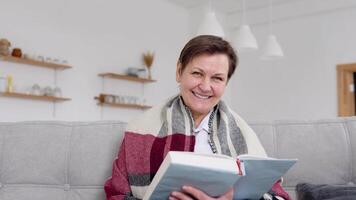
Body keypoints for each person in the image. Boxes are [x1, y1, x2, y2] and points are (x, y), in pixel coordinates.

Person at [104, 35, 291, 200]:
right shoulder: (139, 130)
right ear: (179, 72)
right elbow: (116, 194)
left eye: (217, 78)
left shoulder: (244, 134)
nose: (205, 86)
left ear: (226, 83)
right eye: (197, 73)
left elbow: (278, 197)